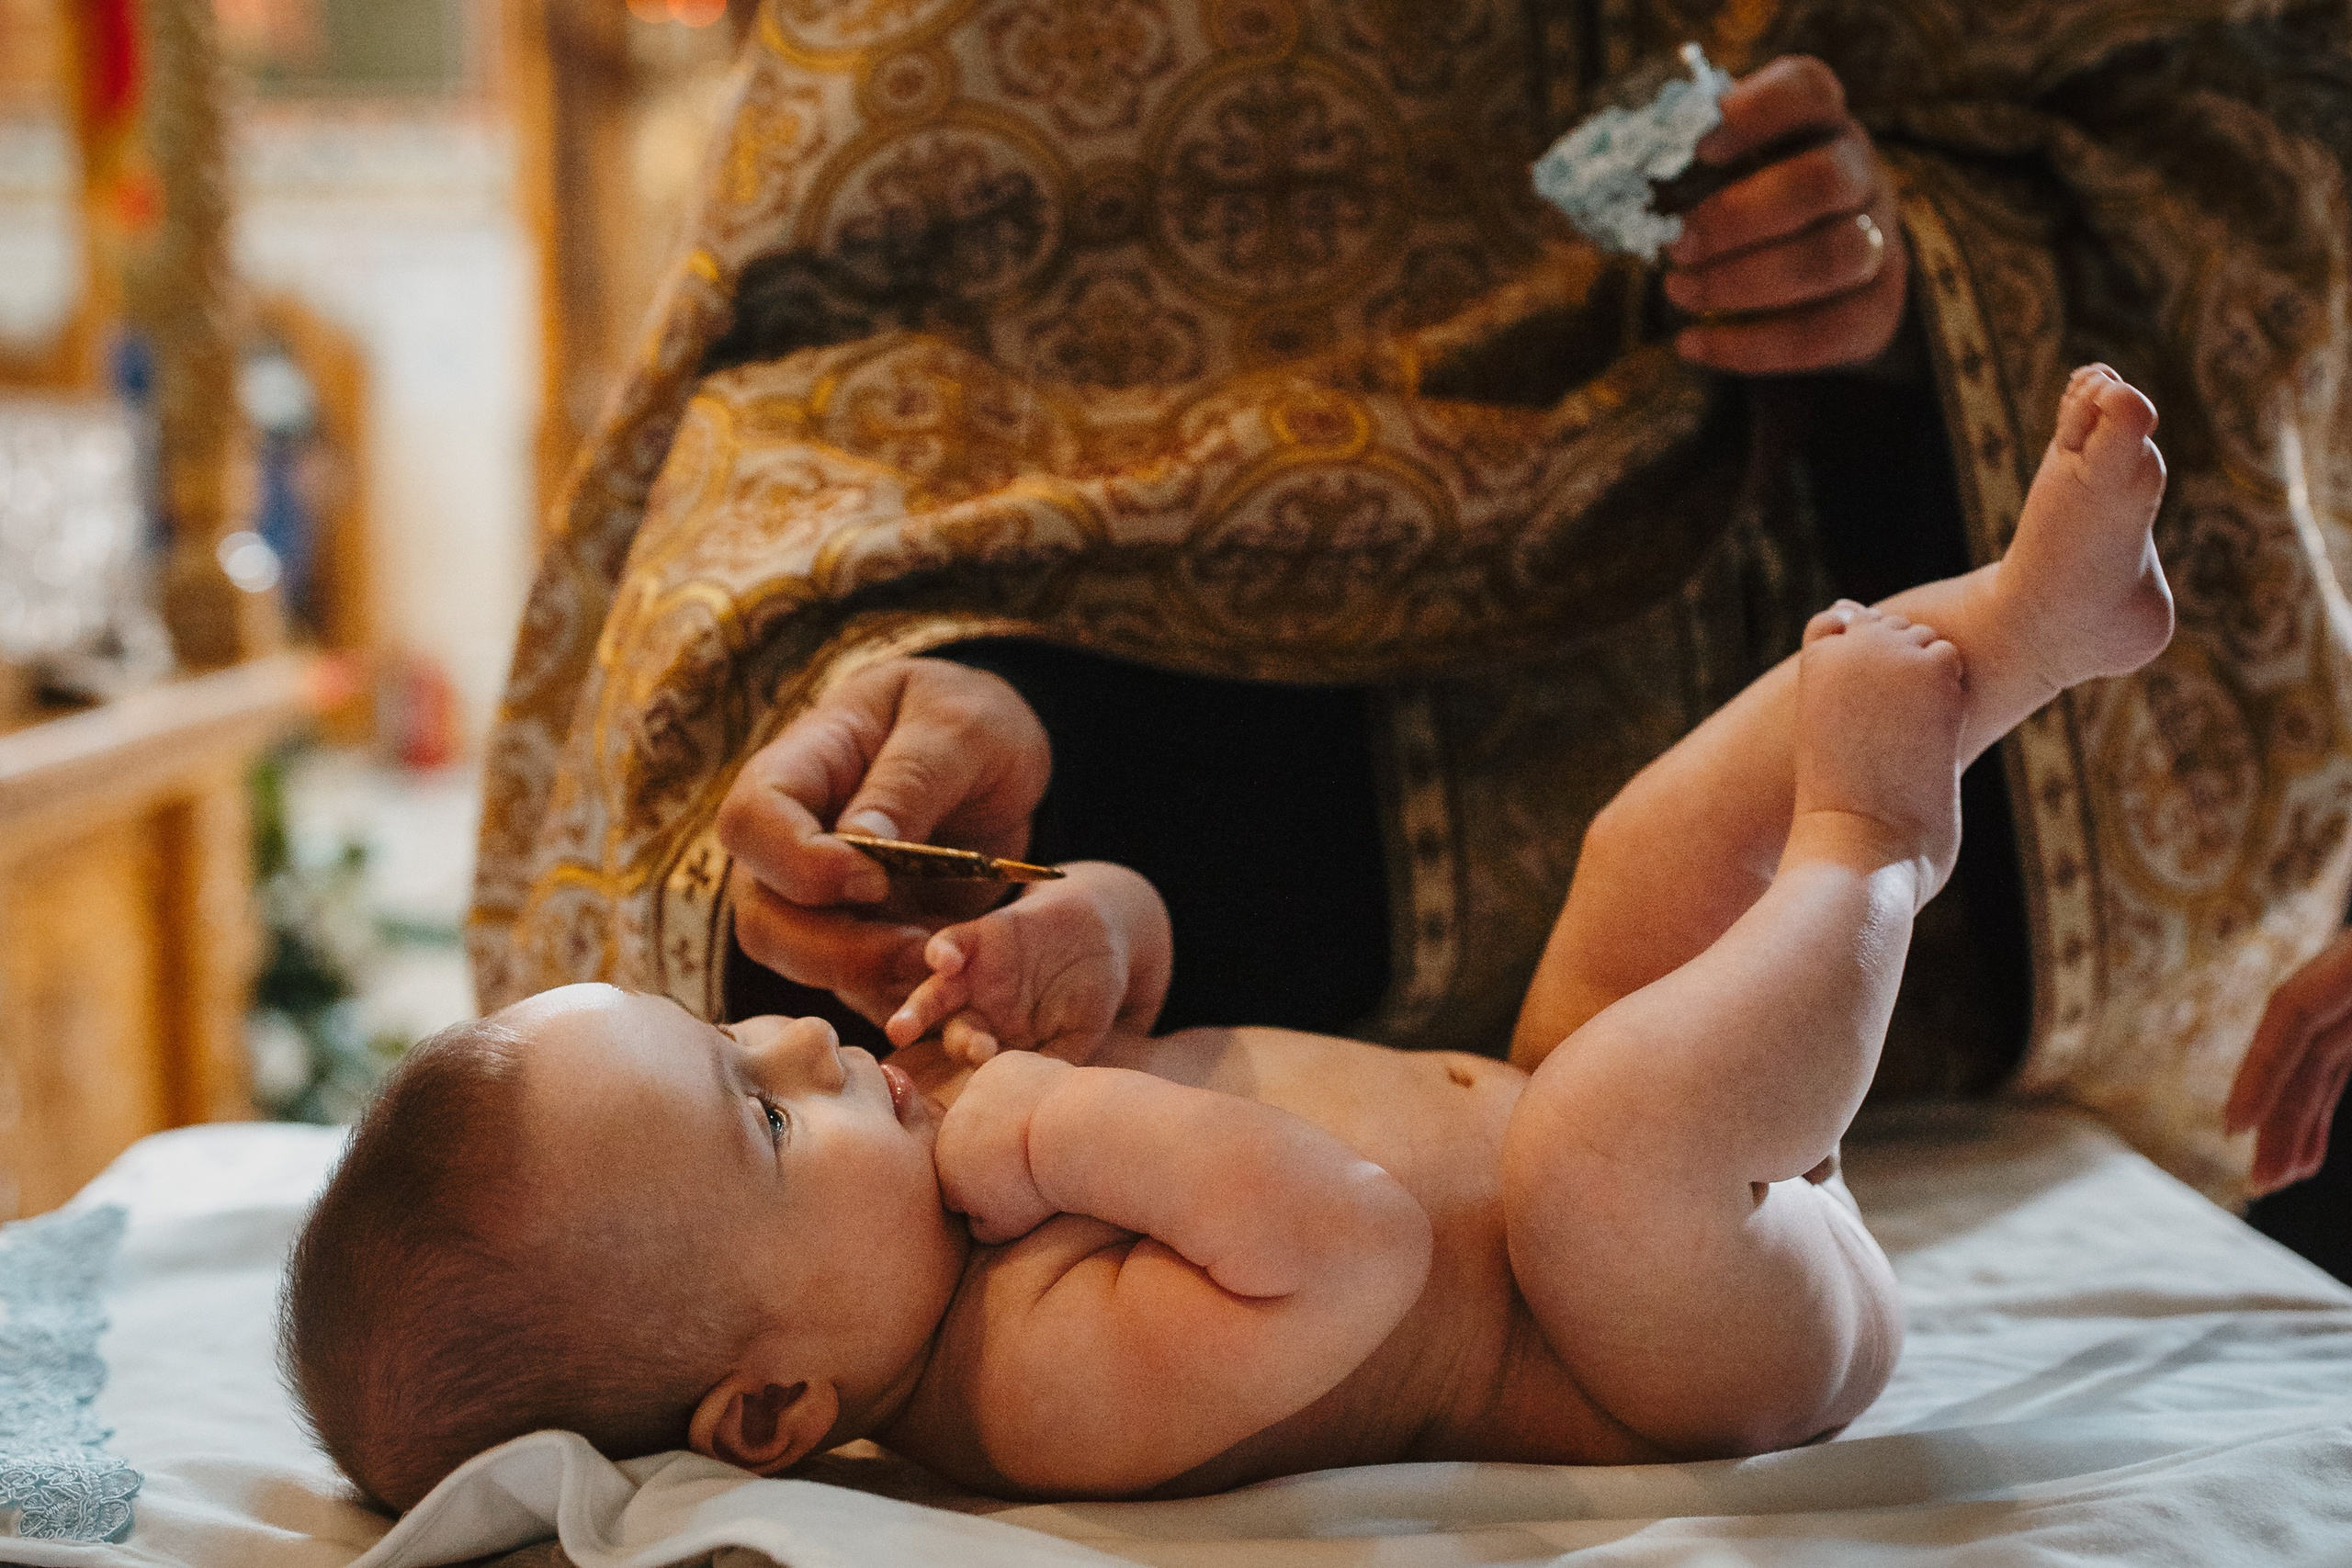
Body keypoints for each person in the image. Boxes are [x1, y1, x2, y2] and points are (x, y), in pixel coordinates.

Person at [471, 1, 2352, 1230]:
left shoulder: (1002, 1322)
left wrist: (1923, 274)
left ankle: (1986, 659)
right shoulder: (964, 1322)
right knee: (711, 997)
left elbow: (2250, 103)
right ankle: (1942, 714)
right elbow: (854, 351)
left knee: (1671, 865)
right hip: (1536, 1069)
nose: (821, 1069)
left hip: (1797, 558)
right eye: (787, 1102)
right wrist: (990, 695)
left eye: (787, 1081)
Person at [296, 367, 2169, 1510]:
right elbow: (1338, 1241)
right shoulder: (1023, 1386)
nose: (797, 1039)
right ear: (772, 1406)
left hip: (1557, 1107)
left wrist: (1089, 941)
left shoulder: (946, 1189)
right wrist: (1050, 1120)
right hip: (1669, 1330)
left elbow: (1171, 967)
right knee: (1602, 1144)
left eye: (747, 1043)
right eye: (762, 1113)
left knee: (1637, 848)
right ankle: (1869, 842)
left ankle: (2028, 622)